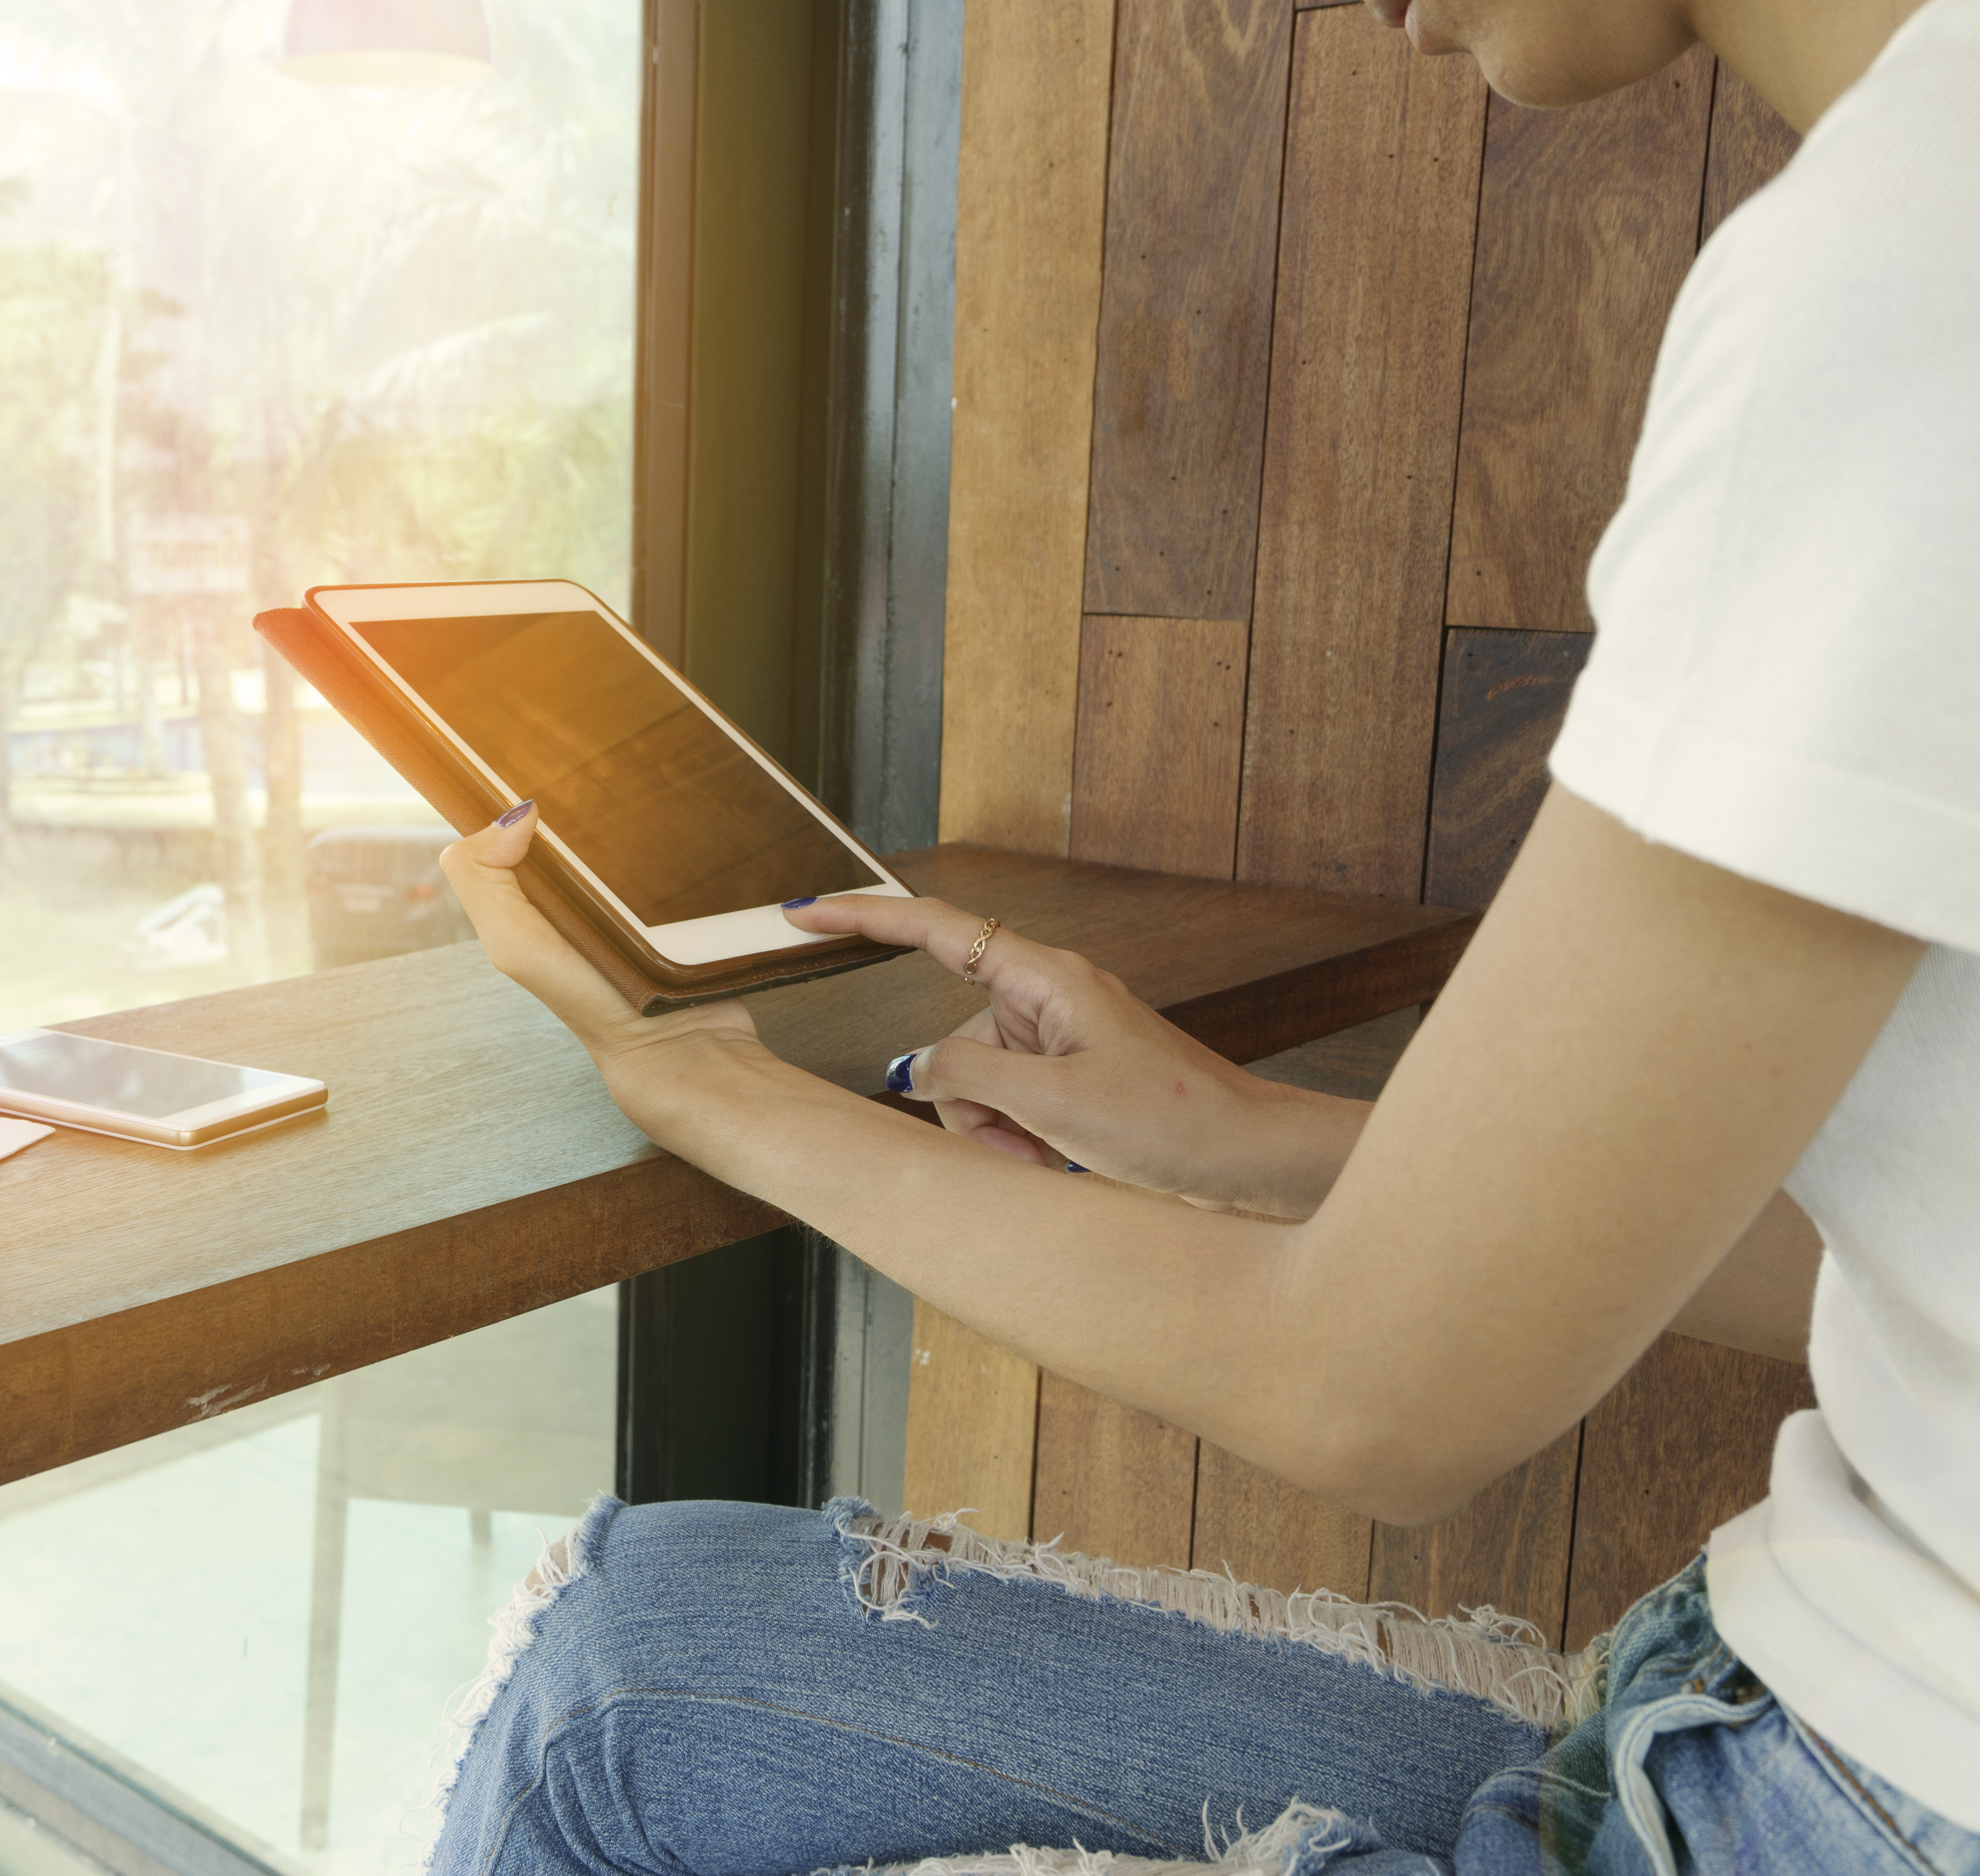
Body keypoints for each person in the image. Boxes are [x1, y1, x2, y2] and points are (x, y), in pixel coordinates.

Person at [422, 0, 1979, 1868]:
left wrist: (702, 1082)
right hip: (1796, 1700)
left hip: (1836, 1797)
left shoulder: (1905, 268)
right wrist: (1255, 1143)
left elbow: (1373, 1396)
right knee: (632, 1664)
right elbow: (1907, 1261)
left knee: (611, 1716)